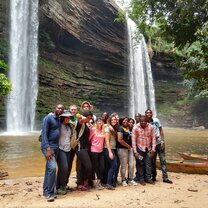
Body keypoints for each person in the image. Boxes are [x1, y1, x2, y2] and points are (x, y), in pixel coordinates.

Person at [41, 104, 64, 202]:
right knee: (53, 168)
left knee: (49, 169)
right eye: (58, 108)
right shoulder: (48, 118)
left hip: (56, 147)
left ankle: (46, 191)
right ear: (54, 108)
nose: (60, 110)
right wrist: (47, 147)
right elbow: (44, 134)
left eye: (62, 109)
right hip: (49, 147)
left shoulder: (59, 119)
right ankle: (49, 193)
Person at [145, 109, 173, 184]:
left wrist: (162, 141)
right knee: (152, 162)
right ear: (145, 114)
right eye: (147, 113)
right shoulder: (144, 123)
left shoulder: (156, 120)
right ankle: (153, 177)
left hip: (159, 143)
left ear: (152, 114)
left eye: (150, 113)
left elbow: (161, 130)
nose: (149, 114)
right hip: (151, 145)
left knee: (163, 161)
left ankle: (165, 178)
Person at [131, 115, 156, 185]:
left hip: (148, 148)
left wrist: (153, 149)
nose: (143, 123)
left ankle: (148, 178)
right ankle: (141, 179)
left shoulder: (151, 126)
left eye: (145, 121)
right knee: (140, 163)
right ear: (139, 121)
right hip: (139, 149)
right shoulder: (135, 127)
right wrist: (135, 152)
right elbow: (133, 140)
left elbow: (153, 138)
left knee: (148, 163)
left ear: (147, 121)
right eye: (142, 121)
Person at [56, 111, 73, 195]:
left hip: (68, 149)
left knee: (63, 169)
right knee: (64, 168)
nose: (68, 119)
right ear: (62, 117)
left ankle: (58, 186)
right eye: (66, 117)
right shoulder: (58, 125)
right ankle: (61, 185)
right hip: (60, 148)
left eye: (69, 117)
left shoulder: (69, 126)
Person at [75, 110, 93, 191]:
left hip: (85, 148)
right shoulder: (80, 123)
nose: (89, 119)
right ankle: (84, 181)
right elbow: (79, 118)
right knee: (88, 166)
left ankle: (80, 183)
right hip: (80, 147)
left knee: (81, 166)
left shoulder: (86, 124)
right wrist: (82, 118)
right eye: (88, 117)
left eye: (90, 118)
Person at [117, 117, 137, 186]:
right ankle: (123, 180)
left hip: (130, 149)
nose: (126, 121)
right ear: (121, 121)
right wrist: (128, 146)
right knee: (124, 165)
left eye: (127, 120)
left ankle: (130, 179)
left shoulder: (128, 129)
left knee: (131, 164)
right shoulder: (120, 128)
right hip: (122, 149)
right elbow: (120, 140)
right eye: (124, 120)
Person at [89, 117, 105, 190]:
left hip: (101, 151)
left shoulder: (103, 130)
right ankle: (94, 183)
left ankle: (99, 182)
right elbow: (89, 139)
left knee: (101, 167)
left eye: (101, 121)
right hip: (94, 150)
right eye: (98, 121)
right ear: (96, 122)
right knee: (94, 167)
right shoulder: (93, 130)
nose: (99, 122)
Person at [103, 114, 118, 190]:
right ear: (109, 120)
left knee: (109, 166)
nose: (114, 121)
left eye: (115, 120)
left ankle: (108, 181)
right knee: (114, 165)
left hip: (113, 149)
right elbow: (107, 141)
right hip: (108, 149)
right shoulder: (107, 128)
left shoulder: (113, 128)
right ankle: (109, 183)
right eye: (112, 120)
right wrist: (110, 152)